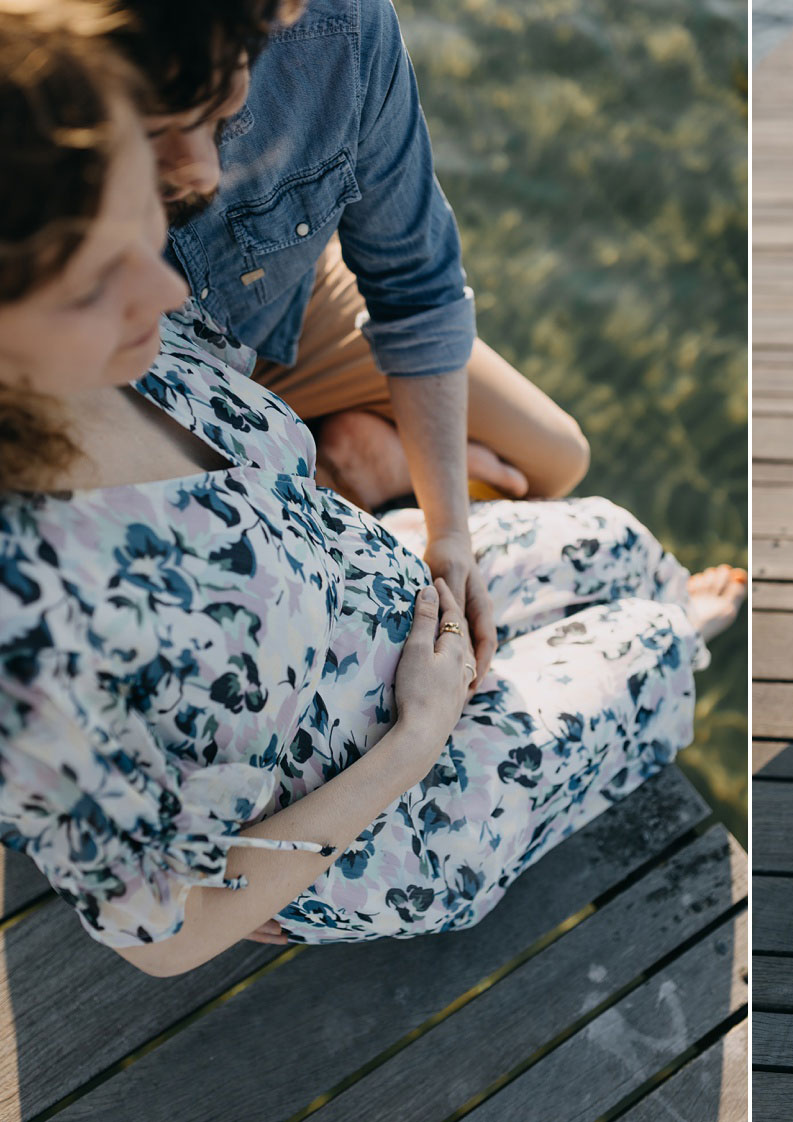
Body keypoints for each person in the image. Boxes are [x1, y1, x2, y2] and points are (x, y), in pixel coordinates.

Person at [0, 7, 745, 978]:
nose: (175, 292)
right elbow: (164, 934)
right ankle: (675, 636)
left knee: (612, 536)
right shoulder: (27, 616)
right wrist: (418, 732)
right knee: (649, 653)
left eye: (145, 222)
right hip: (370, 789)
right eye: (99, 278)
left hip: (371, 595)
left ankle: (441, 508)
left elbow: (417, 282)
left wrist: (444, 545)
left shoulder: (127, 346)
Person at [101, 0, 596, 690]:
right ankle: (347, 477)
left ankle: (369, 469)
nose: (204, 171)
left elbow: (418, 283)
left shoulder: (342, 23)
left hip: (279, 301)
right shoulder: (50, 65)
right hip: (135, 368)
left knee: (556, 458)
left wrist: (450, 538)